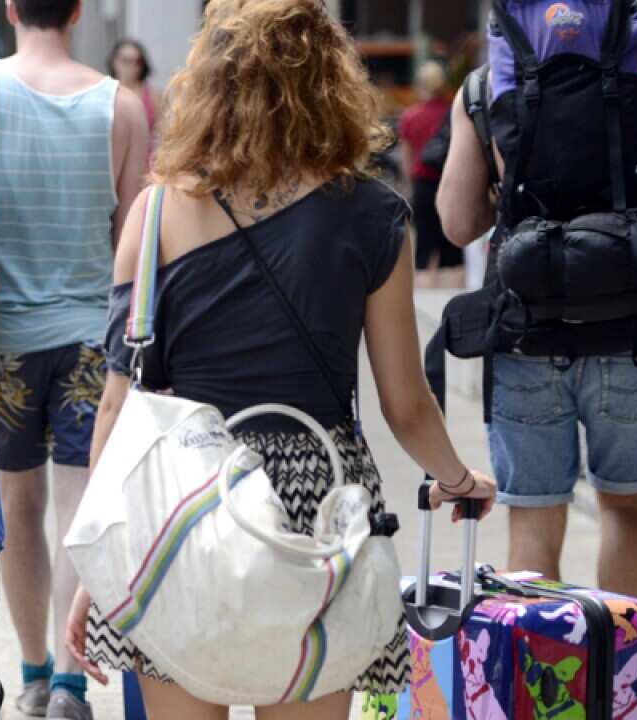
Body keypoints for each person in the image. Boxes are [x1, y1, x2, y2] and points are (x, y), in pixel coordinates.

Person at [63, 2, 497, 719]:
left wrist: (97, 563)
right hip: (319, 503)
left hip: (180, 505)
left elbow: (118, 400)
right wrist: (457, 480)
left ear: (208, 85)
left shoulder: (157, 212)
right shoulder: (372, 215)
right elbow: (405, 403)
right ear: (332, 81)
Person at [437, 28, 637, 602]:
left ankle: (544, 681)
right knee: (628, 510)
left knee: (533, 517)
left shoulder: (486, 87)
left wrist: (510, 194)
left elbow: (457, 224)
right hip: (633, 332)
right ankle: (620, 674)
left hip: (525, 334)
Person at [0, 1, 150, 717]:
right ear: (77, 9)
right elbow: (135, 247)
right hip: (96, 343)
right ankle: (70, 681)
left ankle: (31, 672)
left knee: (16, 508)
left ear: (8, 8)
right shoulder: (122, 109)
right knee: (79, 514)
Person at [399, 60, 461, 288]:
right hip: (452, 184)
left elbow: (407, 161)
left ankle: (426, 305)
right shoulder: (454, 112)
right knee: (452, 249)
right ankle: (450, 307)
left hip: (423, 185)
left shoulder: (410, 116)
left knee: (424, 245)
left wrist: (409, 187)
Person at [109, 38, 161, 165]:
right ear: (114, 62)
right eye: (125, 60)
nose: (131, 66)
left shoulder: (153, 96)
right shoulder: (105, 93)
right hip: (113, 163)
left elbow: (163, 135)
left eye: (137, 61)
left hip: (145, 165)